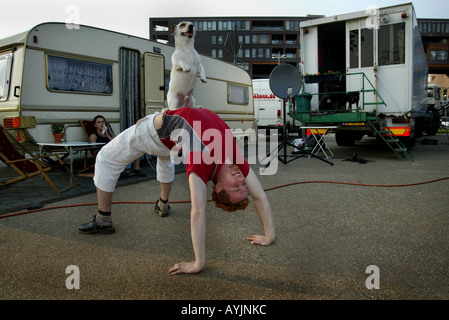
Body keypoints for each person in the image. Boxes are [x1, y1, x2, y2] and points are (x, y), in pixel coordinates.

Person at [78, 107, 276, 275]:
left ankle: (103, 220)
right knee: (166, 159)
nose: (241, 181)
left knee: (105, 158)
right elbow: (260, 196)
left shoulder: (200, 162)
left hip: (152, 133)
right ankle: (163, 203)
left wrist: (199, 263)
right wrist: (269, 236)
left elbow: (198, 212)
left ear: (218, 187)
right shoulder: (234, 162)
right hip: (171, 141)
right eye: (243, 186)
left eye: (236, 187)